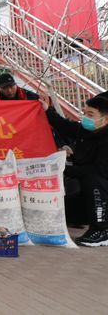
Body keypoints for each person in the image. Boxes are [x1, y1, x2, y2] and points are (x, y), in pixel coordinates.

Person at [40, 93, 108, 246]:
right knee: (72, 186)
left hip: (100, 180)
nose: (85, 118)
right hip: (85, 175)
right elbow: (64, 125)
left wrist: (66, 168)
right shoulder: (86, 130)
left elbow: (98, 171)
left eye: (90, 115)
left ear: (105, 119)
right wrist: (47, 110)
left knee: (94, 181)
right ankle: (82, 220)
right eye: (84, 113)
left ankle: (101, 230)